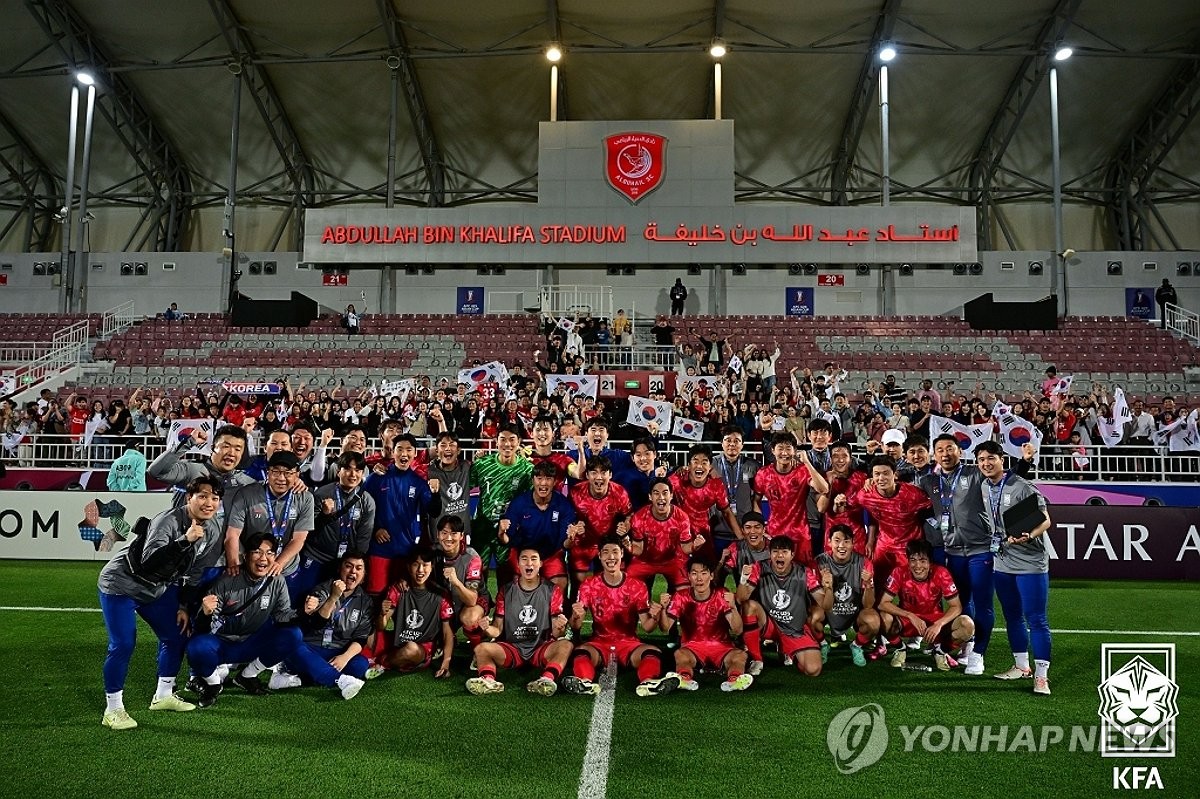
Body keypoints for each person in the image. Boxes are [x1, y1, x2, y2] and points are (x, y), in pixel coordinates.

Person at [96, 476, 226, 730]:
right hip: (121, 585)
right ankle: (113, 709)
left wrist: (183, 606)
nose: (209, 503)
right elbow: (149, 563)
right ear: (189, 498)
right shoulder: (168, 521)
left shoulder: (212, 529)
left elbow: (194, 572)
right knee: (123, 644)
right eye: (202, 496)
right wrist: (184, 540)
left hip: (156, 588)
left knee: (176, 634)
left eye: (215, 498)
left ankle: (164, 695)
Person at [917, 434, 1034, 677]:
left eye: (950, 448)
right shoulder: (929, 481)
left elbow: (1005, 478)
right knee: (961, 602)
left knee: (983, 603)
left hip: (981, 550)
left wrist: (1024, 462)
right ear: (934, 454)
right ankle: (968, 644)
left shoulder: (974, 473)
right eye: (940, 450)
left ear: (960, 452)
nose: (945, 454)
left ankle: (978, 654)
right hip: (952, 551)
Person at [186, 532, 307, 708]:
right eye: (257, 552)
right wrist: (205, 613)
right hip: (221, 644)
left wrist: (304, 612)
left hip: (251, 642)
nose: (263, 558)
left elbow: (282, 616)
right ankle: (213, 684)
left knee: (293, 635)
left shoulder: (277, 581)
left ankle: (247, 676)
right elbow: (203, 629)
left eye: (269, 553)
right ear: (245, 556)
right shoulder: (227, 580)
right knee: (196, 647)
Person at [976, 440, 1053, 695]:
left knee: (1037, 619)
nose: (986, 463)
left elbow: (1045, 520)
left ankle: (1041, 676)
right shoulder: (985, 486)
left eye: (991, 458)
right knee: (1012, 616)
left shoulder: (1022, 486)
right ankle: (1021, 666)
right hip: (1002, 559)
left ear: (1002, 460)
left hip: (1031, 562)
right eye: (981, 460)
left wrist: (1030, 535)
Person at [562, 534, 680, 697]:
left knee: (652, 651)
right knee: (581, 652)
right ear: (599, 555)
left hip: (629, 644)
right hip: (599, 643)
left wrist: (655, 616)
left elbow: (647, 627)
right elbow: (576, 626)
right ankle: (584, 682)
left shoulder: (637, 586)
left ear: (622, 553)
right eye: (606, 552)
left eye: (615, 552)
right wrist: (576, 616)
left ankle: (648, 683)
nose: (611, 557)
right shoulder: (589, 585)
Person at [465, 547, 572, 696]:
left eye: (533, 559)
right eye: (524, 559)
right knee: (481, 649)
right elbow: (497, 629)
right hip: (512, 648)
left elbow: (557, 633)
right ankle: (488, 680)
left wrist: (560, 627)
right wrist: (487, 628)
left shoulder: (552, 590)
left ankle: (546, 680)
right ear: (518, 564)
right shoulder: (506, 590)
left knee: (566, 645)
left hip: (541, 647)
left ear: (540, 564)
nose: (529, 563)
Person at [270, 551, 371, 698]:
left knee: (360, 664)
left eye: (358, 568)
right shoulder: (322, 589)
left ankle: (301, 679)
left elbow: (361, 638)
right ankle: (340, 681)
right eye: (348, 566)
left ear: (363, 576)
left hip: (337, 652)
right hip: (312, 648)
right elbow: (317, 623)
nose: (353, 572)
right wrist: (333, 597)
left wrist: (344, 657)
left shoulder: (366, 602)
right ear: (340, 569)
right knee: (294, 648)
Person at [222, 450, 314, 603]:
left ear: (297, 475)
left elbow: (299, 539)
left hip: (286, 569)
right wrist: (233, 562)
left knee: (284, 612)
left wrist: (278, 563)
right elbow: (232, 534)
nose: (281, 478)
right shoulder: (247, 494)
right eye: (276, 472)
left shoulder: (305, 498)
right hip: (252, 569)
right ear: (267, 473)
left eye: (288, 473)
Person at [836, 455, 932, 597]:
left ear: (895, 474)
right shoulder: (866, 495)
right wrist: (839, 501)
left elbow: (932, 507)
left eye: (886, 473)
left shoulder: (913, 494)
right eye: (877, 474)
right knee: (877, 584)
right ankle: (877, 609)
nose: (881, 478)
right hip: (885, 545)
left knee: (912, 589)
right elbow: (845, 507)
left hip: (909, 546)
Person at [738, 535, 830, 678]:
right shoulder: (759, 567)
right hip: (770, 625)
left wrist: (829, 588)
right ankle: (757, 659)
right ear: (769, 554)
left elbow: (826, 605)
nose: (779, 555)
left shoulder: (804, 573)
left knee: (813, 670)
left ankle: (787, 650)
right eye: (775, 551)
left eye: (784, 552)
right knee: (749, 606)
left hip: (795, 629)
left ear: (792, 555)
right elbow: (741, 599)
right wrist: (743, 579)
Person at [657, 556, 752, 692]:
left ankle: (734, 680)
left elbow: (738, 630)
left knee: (740, 655)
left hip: (721, 646)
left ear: (711, 576)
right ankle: (684, 679)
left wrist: (733, 607)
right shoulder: (680, 596)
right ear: (689, 576)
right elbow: (665, 628)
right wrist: (663, 609)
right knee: (680, 654)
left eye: (703, 573)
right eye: (694, 573)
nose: (699, 578)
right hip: (692, 647)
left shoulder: (722, 594)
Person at [878, 539, 975, 671]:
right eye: (913, 560)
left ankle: (940, 652)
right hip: (907, 620)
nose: (917, 566)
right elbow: (883, 603)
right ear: (908, 560)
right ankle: (900, 648)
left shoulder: (941, 573)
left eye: (923, 561)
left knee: (967, 625)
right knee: (882, 618)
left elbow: (956, 606)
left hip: (934, 621)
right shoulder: (899, 572)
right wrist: (910, 615)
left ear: (930, 561)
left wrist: (939, 624)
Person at [363, 434, 441, 595]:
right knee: (376, 597)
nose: (404, 454)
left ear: (415, 453)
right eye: (399, 449)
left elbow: (434, 511)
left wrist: (435, 494)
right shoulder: (377, 478)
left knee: (402, 600)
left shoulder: (419, 483)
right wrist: (376, 529)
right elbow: (361, 508)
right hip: (380, 550)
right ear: (393, 452)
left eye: (409, 450)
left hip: (407, 552)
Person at [291, 451, 376, 599]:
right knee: (306, 598)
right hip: (317, 557)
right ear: (338, 471)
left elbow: (364, 538)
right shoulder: (322, 494)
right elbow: (308, 531)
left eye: (358, 470)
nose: (353, 474)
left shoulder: (367, 501)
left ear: (362, 474)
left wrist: (354, 565)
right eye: (347, 469)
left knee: (335, 602)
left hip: (344, 564)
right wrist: (324, 515)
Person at [499, 461, 581, 589]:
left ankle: (557, 604)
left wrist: (571, 538)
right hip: (523, 554)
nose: (543, 483)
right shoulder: (519, 503)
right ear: (533, 480)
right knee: (515, 584)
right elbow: (507, 540)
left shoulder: (563, 505)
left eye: (548, 479)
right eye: (539, 478)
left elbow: (564, 544)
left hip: (550, 554)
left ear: (555, 482)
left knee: (560, 583)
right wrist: (501, 533)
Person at [376, 546, 455, 677]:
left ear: (431, 567)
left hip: (422, 649)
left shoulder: (441, 596)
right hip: (398, 644)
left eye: (425, 565)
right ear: (408, 567)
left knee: (411, 649)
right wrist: (382, 614)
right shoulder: (398, 589)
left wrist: (445, 664)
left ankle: (383, 663)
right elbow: (380, 627)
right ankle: (396, 660)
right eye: (415, 564)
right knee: (370, 634)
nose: (420, 570)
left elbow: (448, 633)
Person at [752, 433, 830, 565]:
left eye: (788, 448)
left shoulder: (802, 471)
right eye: (780, 448)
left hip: (800, 535)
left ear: (794, 451)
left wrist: (807, 462)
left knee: (803, 574)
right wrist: (760, 526)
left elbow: (824, 489)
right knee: (777, 572)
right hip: (774, 534)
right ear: (773, 450)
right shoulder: (763, 474)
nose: (784, 453)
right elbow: (756, 500)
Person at [468, 424, 533, 576]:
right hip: (483, 527)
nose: (507, 444)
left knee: (507, 574)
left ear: (519, 442)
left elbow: (531, 501)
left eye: (512, 439)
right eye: (503, 439)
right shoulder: (482, 465)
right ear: (496, 441)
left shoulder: (527, 469)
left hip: (510, 530)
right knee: (477, 574)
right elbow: (464, 488)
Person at [148, 423, 256, 513]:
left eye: (237, 449)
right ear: (212, 448)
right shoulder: (192, 470)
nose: (231, 453)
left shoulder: (245, 482)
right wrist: (188, 442)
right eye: (226, 446)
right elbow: (156, 472)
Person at [814, 524, 879, 666]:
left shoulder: (864, 563)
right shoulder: (820, 562)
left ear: (853, 543)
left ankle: (856, 646)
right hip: (828, 611)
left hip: (855, 613)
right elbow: (823, 605)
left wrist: (868, 585)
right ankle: (823, 644)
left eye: (846, 541)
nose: (841, 546)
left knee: (873, 621)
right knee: (812, 616)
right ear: (829, 542)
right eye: (837, 541)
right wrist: (828, 587)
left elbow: (868, 605)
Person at [669, 444, 742, 564]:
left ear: (710, 467)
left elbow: (727, 512)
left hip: (703, 535)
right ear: (689, 465)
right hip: (679, 534)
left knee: (706, 570)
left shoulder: (716, 485)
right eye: (695, 461)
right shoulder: (676, 480)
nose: (699, 466)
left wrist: (742, 538)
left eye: (704, 462)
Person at [568, 455, 632, 586]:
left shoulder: (619, 492)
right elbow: (567, 518)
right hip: (583, 544)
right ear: (587, 475)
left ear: (610, 475)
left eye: (603, 472)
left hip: (609, 544)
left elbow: (629, 515)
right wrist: (575, 526)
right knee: (580, 585)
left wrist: (626, 526)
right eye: (594, 472)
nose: (599, 477)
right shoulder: (576, 492)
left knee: (613, 583)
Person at [627, 479, 697, 593]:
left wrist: (694, 546)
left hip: (674, 560)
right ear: (650, 497)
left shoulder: (682, 517)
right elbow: (639, 549)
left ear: (671, 496)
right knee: (627, 586)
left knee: (685, 593)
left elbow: (685, 548)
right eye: (656, 493)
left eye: (665, 493)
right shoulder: (639, 518)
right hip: (645, 561)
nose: (661, 497)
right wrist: (629, 547)